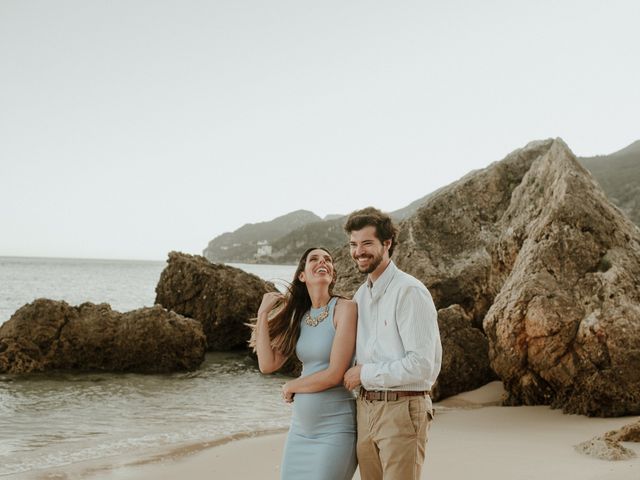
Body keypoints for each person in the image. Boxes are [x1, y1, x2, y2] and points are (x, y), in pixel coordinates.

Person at [343, 207, 442, 480]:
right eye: (353, 244)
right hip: (366, 409)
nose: (358, 252)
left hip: (403, 409)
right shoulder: (361, 295)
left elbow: (421, 366)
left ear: (387, 244)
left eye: (366, 243)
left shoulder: (409, 291)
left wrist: (363, 373)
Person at [251, 247, 358, 480]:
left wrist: (291, 386)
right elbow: (267, 365)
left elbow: (335, 374)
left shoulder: (344, 309)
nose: (323, 262)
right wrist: (262, 316)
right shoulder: (299, 316)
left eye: (328, 260)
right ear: (302, 275)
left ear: (332, 273)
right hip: (300, 431)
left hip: (336, 430)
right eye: (314, 259)